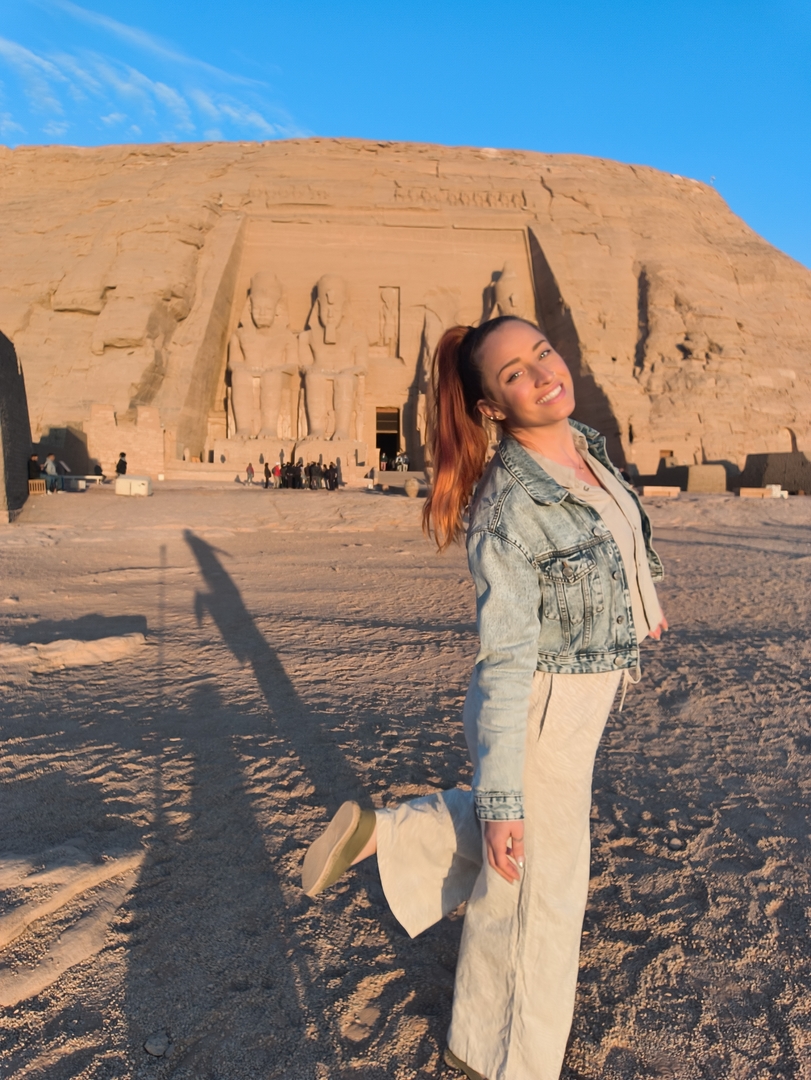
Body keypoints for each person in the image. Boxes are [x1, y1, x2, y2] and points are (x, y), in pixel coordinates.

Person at [301, 316, 667, 1080]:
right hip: (536, 711)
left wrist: (641, 606)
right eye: (513, 374)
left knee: (526, 851)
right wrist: (501, 800)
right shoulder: (506, 511)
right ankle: (502, 1059)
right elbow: (503, 661)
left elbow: (621, 534)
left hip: (569, 707)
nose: (541, 373)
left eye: (541, 353)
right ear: (493, 407)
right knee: (538, 891)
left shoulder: (584, 445)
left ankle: (382, 836)